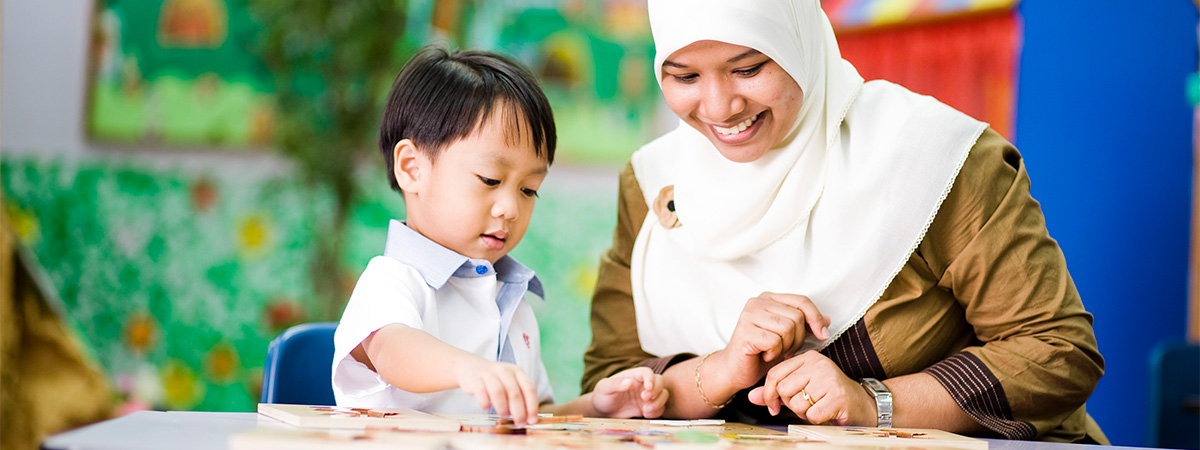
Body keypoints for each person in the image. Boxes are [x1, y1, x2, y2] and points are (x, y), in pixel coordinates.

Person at [582, 0, 1106, 443]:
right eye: (684, 76)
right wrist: (719, 370)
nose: (720, 106)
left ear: (798, 43)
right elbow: (611, 386)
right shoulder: (656, 184)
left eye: (748, 68)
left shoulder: (933, 157)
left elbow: (1058, 352)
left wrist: (872, 402)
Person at [333, 45, 668, 426]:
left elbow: (531, 417)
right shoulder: (391, 279)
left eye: (528, 190)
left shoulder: (512, 300)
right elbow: (393, 350)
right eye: (490, 180)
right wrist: (469, 368)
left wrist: (593, 408)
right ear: (412, 168)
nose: (510, 207)